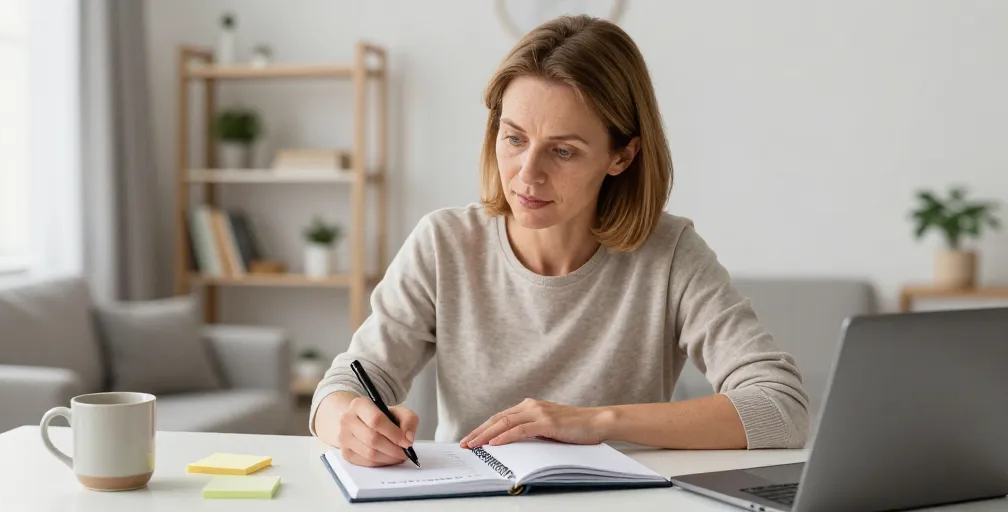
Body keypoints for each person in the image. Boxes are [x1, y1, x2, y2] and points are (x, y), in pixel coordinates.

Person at [310, 14, 809, 468]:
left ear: (622, 156)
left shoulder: (670, 252)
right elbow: (343, 388)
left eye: (563, 151)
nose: (528, 175)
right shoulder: (445, 243)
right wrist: (350, 424)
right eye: (514, 138)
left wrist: (594, 423)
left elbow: (780, 406)